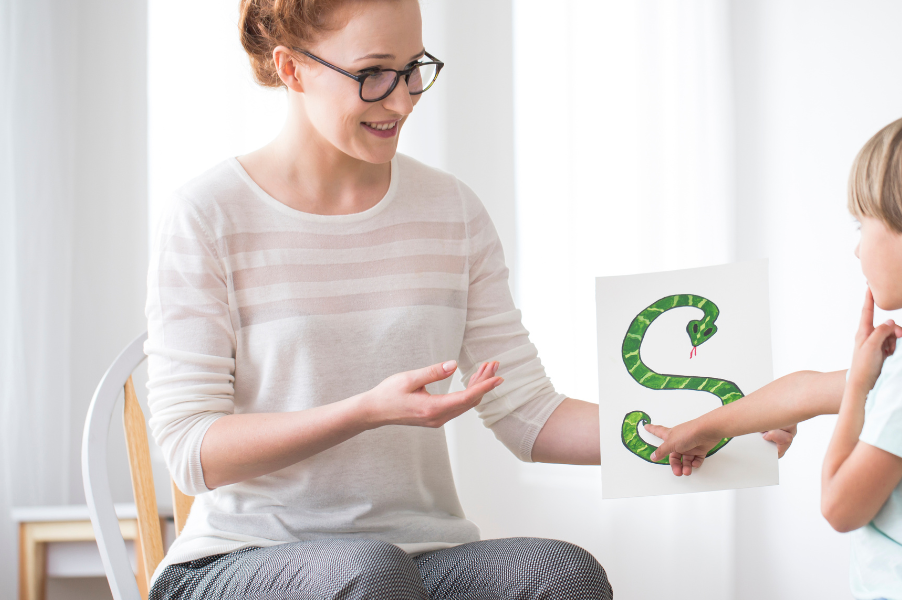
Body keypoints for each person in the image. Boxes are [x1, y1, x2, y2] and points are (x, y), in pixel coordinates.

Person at [144, 0, 798, 598]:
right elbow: (191, 451)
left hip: (416, 555)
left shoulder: (449, 209)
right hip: (241, 559)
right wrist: (365, 412)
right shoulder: (209, 215)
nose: (401, 102)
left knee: (562, 575)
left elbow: (528, 414)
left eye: (413, 70)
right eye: (374, 73)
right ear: (291, 68)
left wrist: (711, 423)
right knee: (368, 572)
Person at [649, 101, 902, 600]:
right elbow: (807, 390)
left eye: (861, 227)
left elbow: (840, 506)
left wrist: (855, 387)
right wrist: (706, 428)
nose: (856, 249)